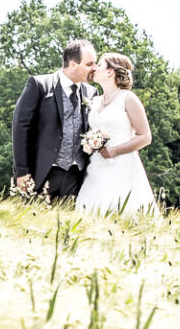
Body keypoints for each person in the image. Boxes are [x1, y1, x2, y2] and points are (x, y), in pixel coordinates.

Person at [11, 40, 98, 200]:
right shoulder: (39, 85)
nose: (95, 68)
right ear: (73, 64)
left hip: (77, 175)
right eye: (89, 64)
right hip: (42, 172)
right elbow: (20, 127)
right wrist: (22, 171)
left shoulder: (92, 93)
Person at [75, 52, 157, 218]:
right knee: (89, 212)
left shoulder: (128, 98)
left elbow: (145, 136)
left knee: (123, 213)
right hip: (97, 167)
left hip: (123, 167)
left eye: (99, 65)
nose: (95, 68)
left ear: (110, 71)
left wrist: (114, 151)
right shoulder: (95, 101)